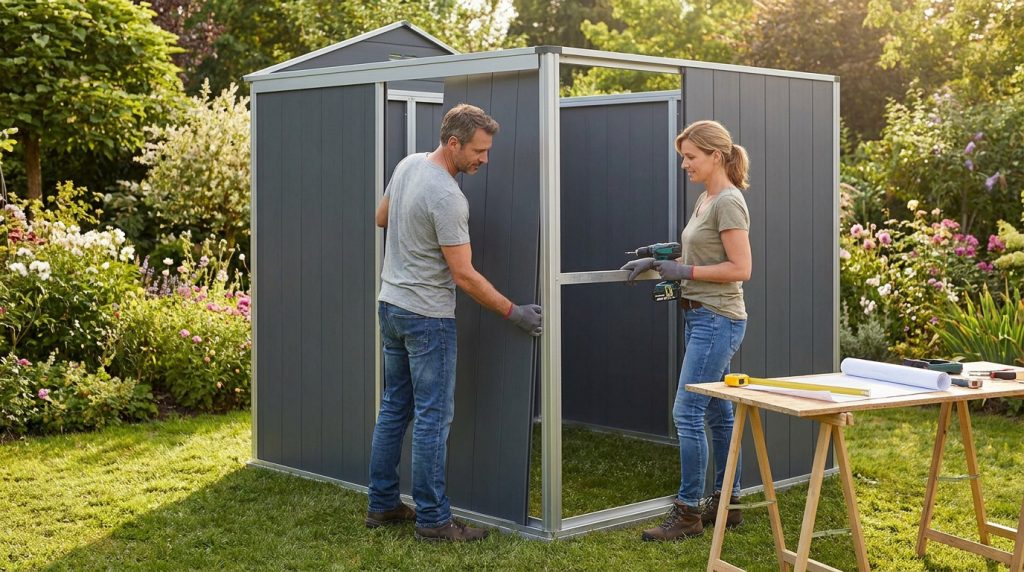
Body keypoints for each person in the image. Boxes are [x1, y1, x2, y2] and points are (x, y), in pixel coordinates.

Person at [366, 103, 544, 542]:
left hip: (391, 307)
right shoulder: (447, 195)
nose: (485, 159)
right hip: (427, 319)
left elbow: (382, 217)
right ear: (454, 143)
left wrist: (414, 241)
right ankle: (433, 520)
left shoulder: (408, 164)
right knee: (431, 419)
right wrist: (514, 312)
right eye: (479, 151)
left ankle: (383, 504)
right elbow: (464, 275)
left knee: (394, 409)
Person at [621, 120, 752, 541]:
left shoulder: (728, 201)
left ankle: (688, 512)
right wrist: (657, 258)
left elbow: (741, 268)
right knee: (716, 410)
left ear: (716, 156)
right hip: (701, 316)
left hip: (717, 317)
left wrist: (686, 270)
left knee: (687, 411)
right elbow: (701, 248)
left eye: (691, 157)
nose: (684, 164)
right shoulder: (706, 199)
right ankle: (727, 502)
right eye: (683, 156)